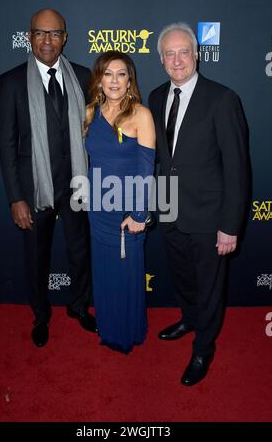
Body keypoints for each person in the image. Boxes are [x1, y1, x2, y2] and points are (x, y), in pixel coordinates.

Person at [149, 23, 250, 385]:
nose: (177, 60)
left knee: (208, 285)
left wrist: (230, 224)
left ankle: (204, 347)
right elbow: (161, 159)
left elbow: (238, 168)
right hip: (170, 210)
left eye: (183, 52)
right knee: (183, 277)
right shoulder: (157, 97)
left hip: (210, 216)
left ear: (197, 54)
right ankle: (189, 319)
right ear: (161, 60)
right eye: (169, 54)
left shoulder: (222, 99)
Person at [0, 8, 97, 348]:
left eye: (54, 33)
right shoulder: (11, 82)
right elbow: (7, 146)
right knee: (36, 258)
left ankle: (79, 306)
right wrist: (15, 197)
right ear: (29, 36)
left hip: (76, 184)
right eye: (40, 33)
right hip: (33, 186)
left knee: (81, 252)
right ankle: (40, 316)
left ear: (64, 38)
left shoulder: (83, 77)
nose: (47, 40)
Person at [84, 50, 155, 353]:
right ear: (99, 80)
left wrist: (139, 214)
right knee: (104, 272)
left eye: (121, 73)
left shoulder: (141, 114)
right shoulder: (90, 112)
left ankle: (127, 331)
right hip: (97, 210)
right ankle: (109, 326)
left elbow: (146, 169)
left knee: (126, 275)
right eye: (108, 74)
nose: (114, 80)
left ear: (130, 81)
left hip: (127, 214)